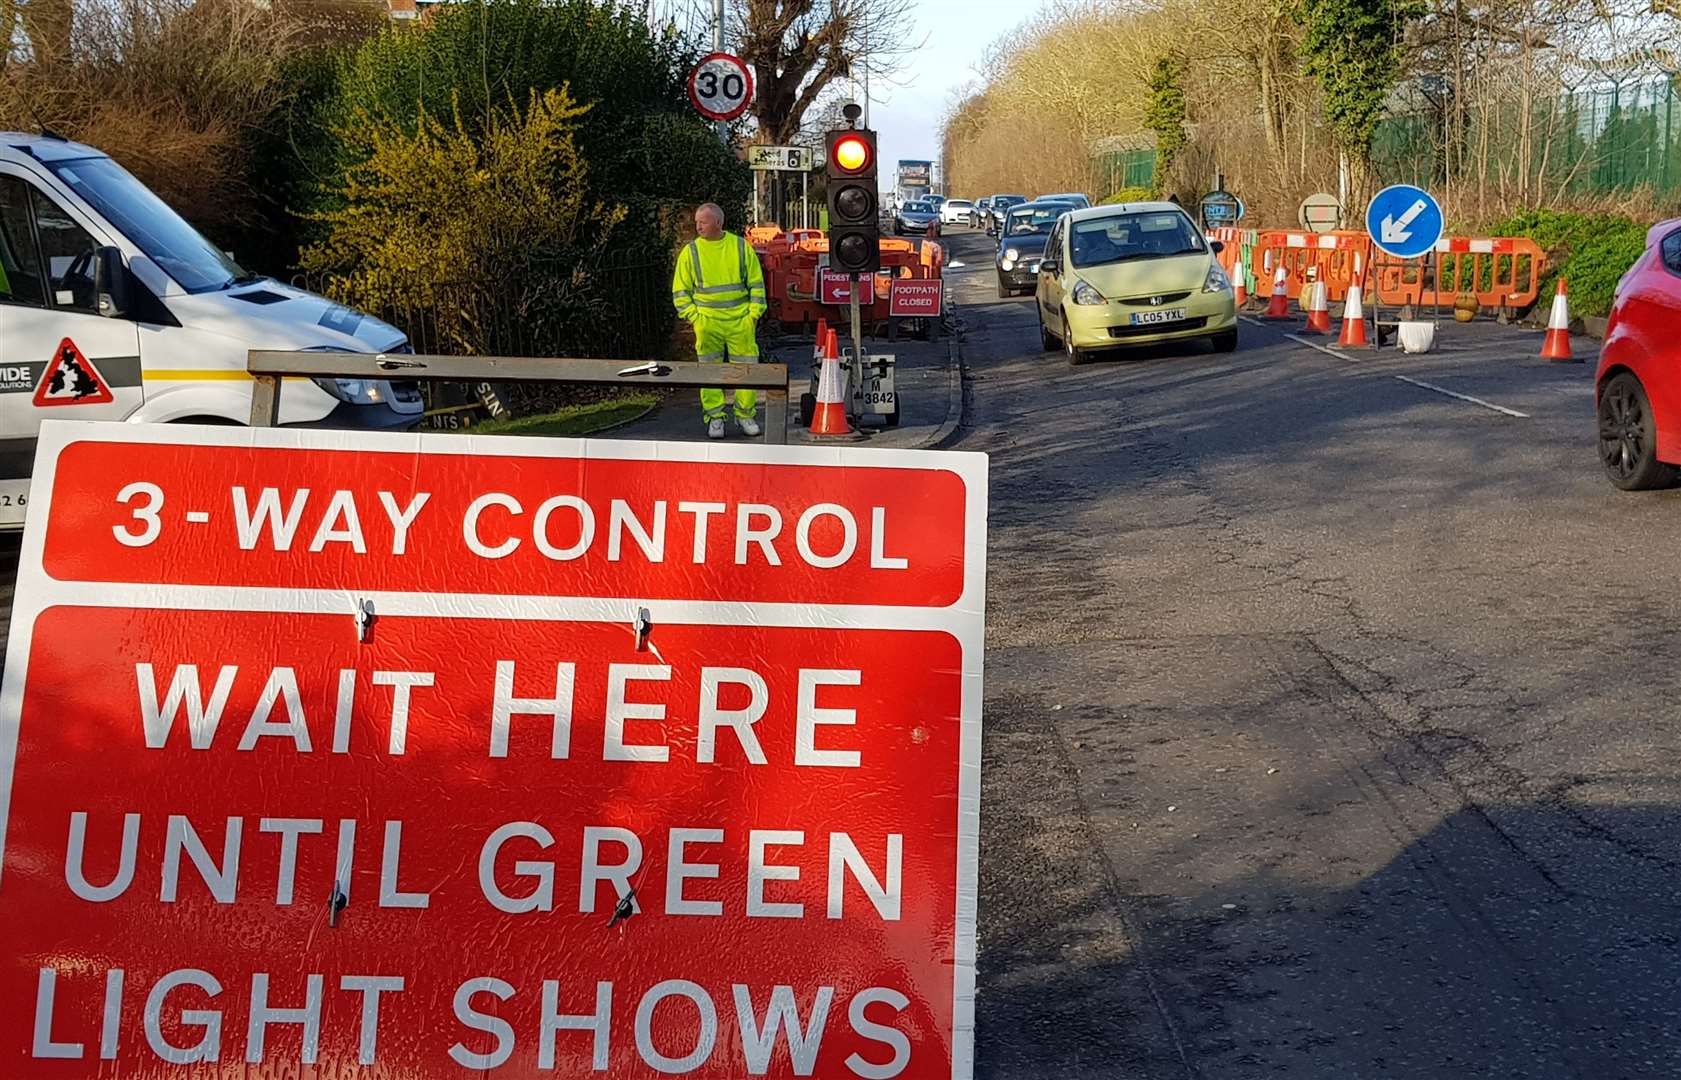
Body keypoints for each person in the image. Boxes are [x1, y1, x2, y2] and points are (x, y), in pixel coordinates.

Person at [671, 202, 768, 438]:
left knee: (746, 370)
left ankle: (745, 414)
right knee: (709, 371)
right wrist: (695, 318)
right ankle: (715, 417)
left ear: (717, 222)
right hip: (708, 323)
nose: (698, 226)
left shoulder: (740, 247)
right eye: (696, 222)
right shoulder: (691, 252)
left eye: (702, 222)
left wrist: (753, 315)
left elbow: (756, 284)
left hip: (740, 321)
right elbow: (681, 291)